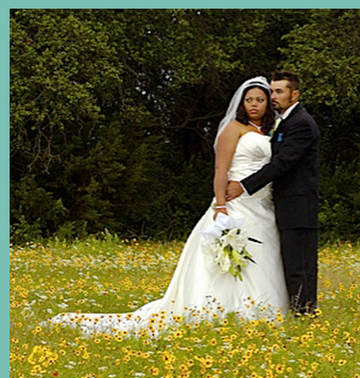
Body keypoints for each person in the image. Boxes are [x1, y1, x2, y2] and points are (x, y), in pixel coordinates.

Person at [52, 77, 290, 335]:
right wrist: (220, 206)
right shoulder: (233, 128)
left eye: (260, 99)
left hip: (262, 203)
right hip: (235, 203)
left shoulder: (269, 133)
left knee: (263, 256)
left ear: (268, 103)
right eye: (249, 100)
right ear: (241, 103)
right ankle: (221, 309)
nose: (254, 104)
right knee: (228, 262)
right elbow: (220, 169)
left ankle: (263, 308)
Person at [228, 71, 321, 316]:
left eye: (279, 91)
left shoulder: (301, 123)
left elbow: (283, 163)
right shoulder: (284, 122)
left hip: (299, 205)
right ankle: (299, 310)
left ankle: (305, 313)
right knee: (291, 262)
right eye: (272, 91)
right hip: (282, 203)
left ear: (295, 94)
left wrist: (244, 185)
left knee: (300, 265)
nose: (273, 96)